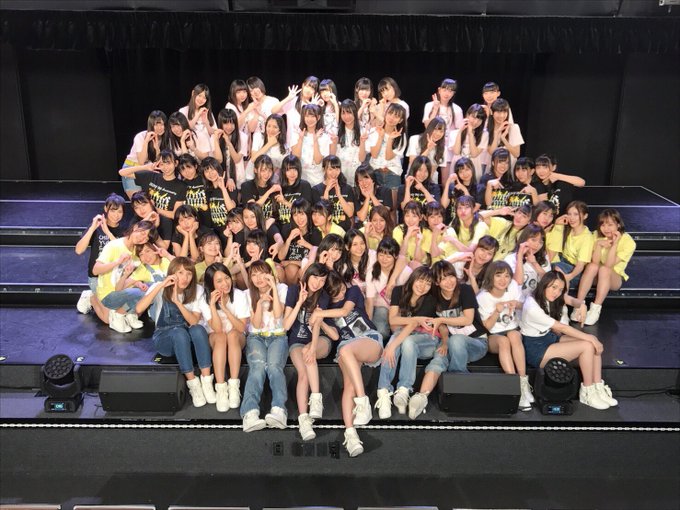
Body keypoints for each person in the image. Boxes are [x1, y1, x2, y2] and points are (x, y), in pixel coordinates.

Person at [520, 271, 617, 410]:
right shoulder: (532, 306)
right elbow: (562, 328)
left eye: (560, 289)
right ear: (544, 285)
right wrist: (589, 336)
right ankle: (587, 392)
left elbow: (570, 300)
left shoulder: (551, 295)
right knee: (587, 345)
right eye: (554, 287)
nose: (556, 292)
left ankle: (597, 387)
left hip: (550, 338)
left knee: (592, 343)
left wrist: (581, 305)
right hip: (537, 349)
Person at [313, 271, 384, 457]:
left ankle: (363, 402)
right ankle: (350, 434)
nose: (342, 293)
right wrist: (320, 321)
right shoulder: (327, 308)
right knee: (348, 386)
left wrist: (320, 313)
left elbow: (345, 311)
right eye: (337, 292)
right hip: (347, 345)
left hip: (368, 339)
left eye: (342, 288)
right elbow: (335, 336)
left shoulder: (353, 292)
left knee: (345, 351)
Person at [406, 261, 488, 419]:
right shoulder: (435, 298)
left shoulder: (465, 290)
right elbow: (441, 327)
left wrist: (442, 320)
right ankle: (422, 397)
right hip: (451, 343)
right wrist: (444, 342)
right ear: (437, 282)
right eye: (443, 278)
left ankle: (457, 386)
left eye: (451, 276)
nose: (449, 281)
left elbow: (467, 319)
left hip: (476, 343)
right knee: (439, 357)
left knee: (456, 340)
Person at [135, 257, 216, 408]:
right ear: (172, 273)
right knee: (179, 333)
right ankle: (193, 384)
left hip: (187, 336)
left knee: (198, 329)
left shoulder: (197, 290)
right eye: (180, 273)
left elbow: (193, 321)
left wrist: (178, 303)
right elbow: (139, 309)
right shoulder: (160, 287)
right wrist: (161, 286)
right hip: (165, 338)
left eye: (189, 274)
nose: (185, 278)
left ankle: (206, 382)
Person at [375, 266, 438, 419]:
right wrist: (416, 319)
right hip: (405, 331)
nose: (423, 286)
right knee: (395, 341)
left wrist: (392, 346)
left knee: (401, 342)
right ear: (413, 278)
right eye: (420, 281)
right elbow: (393, 320)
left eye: (428, 283)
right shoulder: (399, 291)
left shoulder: (430, 299)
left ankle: (404, 389)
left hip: (426, 338)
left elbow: (411, 325)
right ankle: (383, 393)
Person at [283, 263, 337, 440]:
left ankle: (316, 399)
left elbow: (317, 323)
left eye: (322, 280)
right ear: (308, 275)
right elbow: (286, 325)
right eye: (315, 277)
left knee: (308, 353)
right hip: (296, 342)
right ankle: (304, 420)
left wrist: (313, 347)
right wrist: (299, 301)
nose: (317, 283)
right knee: (303, 374)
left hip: (319, 340)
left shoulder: (323, 296)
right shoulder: (294, 290)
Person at [240, 261, 290, 431]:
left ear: (270, 274)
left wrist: (273, 288)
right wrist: (260, 303)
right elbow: (256, 324)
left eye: (262, 273)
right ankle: (250, 413)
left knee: (275, 367)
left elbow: (278, 315)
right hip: (256, 337)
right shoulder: (247, 294)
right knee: (258, 367)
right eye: (254, 275)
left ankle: (279, 410)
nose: (258, 278)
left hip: (278, 336)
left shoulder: (282, 289)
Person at [476, 261, 533, 410]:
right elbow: (486, 327)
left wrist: (516, 304)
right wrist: (496, 311)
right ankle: (513, 386)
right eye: (498, 275)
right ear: (491, 277)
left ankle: (523, 383)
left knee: (514, 335)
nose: (503, 280)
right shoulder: (483, 297)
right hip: (493, 335)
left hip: (513, 330)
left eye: (507, 276)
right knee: (503, 341)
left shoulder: (512, 287)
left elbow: (527, 306)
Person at [91, 221, 157, 333]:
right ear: (135, 227)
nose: (143, 238)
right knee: (146, 294)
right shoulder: (114, 246)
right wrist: (118, 262)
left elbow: (132, 276)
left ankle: (130, 314)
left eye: (146, 238)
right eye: (142, 233)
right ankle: (118, 315)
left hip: (124, 290)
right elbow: (95, 270)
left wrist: (138, 283)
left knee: (152, 288)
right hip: (109, 294)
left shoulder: (137, 251)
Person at [574, 209, 636, 325]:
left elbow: (609, 265)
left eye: (610, 225)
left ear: (618, 225)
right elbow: (595, 261)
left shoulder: (628, 242)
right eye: (603, 225)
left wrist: (615, 244)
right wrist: (598, 245)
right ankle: (578, 305)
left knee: (604, 269)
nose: (606, 229)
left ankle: (595, 310)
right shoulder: (596, 235)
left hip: (614, 278)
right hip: (596, 275)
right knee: (592, 266)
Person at [203, 262, 249, 412]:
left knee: (232, 334)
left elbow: (241, 328)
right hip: (217, 338)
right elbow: (216, 329)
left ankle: (234, 385)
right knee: (221, 336)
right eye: (219, 281)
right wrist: (213, 306)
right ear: (211, 284)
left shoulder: (239, 295)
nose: (225, 283)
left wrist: (225, 309)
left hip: (236, 337)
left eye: (227, 278)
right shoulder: (205, 299)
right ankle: (221, 388)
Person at [118, 150, 186, 243]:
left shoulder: (181, 186)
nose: (165, 167)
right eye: (162, 164)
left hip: (164, 225)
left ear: (176, 163)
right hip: (143, 221)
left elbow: (175, 214)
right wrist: (145, 167)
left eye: (168, 163)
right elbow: (122, 172)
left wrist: (155, 208)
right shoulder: (151, 176)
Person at [75, 193, 126, 315]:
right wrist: (92, 228)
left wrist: (108, 232)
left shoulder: (124, 231)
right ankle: (91, 298)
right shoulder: (96, 228)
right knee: (108, 316)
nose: (116, 215)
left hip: (116, 277)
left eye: (119, 211)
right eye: (113, 211)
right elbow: (79, 250)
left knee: (120, 310)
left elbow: (123, 253)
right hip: (97, 278)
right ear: (105, 209)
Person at [365, 237, 412, 341]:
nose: (384, 259)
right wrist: (368, 325)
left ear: (395, 256)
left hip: (401, 308)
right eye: (381, 255)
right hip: (383, 307)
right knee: (380, 331)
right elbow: (370, 301)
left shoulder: (405, 272)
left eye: (388, 256)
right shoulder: (372, 272)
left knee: (399, 332)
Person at [120, 110, 168, 198]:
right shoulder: (141, 136)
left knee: (149, 201)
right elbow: (141, 161)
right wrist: (146, 142)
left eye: (162, 124)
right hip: (132, 168)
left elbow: (158, 161)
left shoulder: (164, 139)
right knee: (138, 201)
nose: (159, 128)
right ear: (151, 125)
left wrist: (157, 149)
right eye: (156, 125)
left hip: (148, 170)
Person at [551, 201, 594, 290]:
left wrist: (568, 277)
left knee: (558, 269)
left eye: (576, 214)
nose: (571, 218)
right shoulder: (567, 229)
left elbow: (580, 265)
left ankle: (564, 297)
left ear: (585, 216)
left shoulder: (587, 237)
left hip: (575, 271)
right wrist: (557, 223)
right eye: (569, 214)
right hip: (561, 261)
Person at [366, 103, 407, 196]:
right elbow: (374, 155)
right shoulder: (374, 131)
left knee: (392, 204)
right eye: (390, 113)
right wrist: (381, 136)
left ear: (400, 120)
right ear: (385, 113)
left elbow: (388, 157)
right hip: (375, 173)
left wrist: (390, 139)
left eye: (396, 116)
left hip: (392, 174)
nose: (392, 118)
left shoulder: (401, 136)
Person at [278, 198, 321, 285]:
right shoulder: (287, 229)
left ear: (307, 214)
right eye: (295, 215)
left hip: (304, 269)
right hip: (287, 271)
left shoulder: (315, 233)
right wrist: (289, 239)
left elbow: (318, 257)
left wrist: (291, 262)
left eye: (302, 214)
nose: (299, 218)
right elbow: (280, 257)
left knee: (293, 268)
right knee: (280, 268)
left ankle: (293, 291)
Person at [505, 224, 552, 302]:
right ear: (524, 239)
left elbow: (549, 282)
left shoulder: (543, 259)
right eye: (533, 240)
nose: (537, 245)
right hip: (515, 301)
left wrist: (534, 263)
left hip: (535, 302)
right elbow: (517, 283)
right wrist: (520, 256)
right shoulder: (511, 258)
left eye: (540, 242)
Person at [312, 155, 356, 232]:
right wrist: (326, 191)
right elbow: (322, 214)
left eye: (337, 169)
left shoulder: (347, 188)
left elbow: (350, 213)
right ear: (324, 169)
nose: (334, 173)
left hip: (345, 230)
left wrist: (339, 195)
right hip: (327, 231)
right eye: (330, 169)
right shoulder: (316, 190)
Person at [290, 104, 331, 187]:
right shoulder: (296, 135)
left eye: (312, 116)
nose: (309, 119)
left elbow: (317, 161)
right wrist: (301, 139)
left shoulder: (324, 137)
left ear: (318, 117)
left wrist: (315, 140)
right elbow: (296, 158)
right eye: (307, 116)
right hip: (301, 181)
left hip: (317, 181)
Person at [332, 99, 367, 185]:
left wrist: (362, 142)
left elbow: (362, 159)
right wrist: (334, 143)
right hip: (339, 175)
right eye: (343, 113)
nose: (346, 116)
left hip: (356, 175)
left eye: (349, 112)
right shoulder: (335, 131)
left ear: (354, 113)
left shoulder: (362, 131)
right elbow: (332, 157)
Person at [450, 104, 488, 181]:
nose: (476, 122)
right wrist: (460, 132)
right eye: (474, 117)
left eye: (479, 119)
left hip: (474, 166)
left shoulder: (484, 134)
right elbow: (456, 152)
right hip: (458, 166)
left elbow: (474, 154)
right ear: (467, 115)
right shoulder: (454, 133)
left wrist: (470, 134)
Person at [407, 117, 449, 186]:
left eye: (441, 131)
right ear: (430, 128)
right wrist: (428, 149)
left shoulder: (443, 149)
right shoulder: (415, 139)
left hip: (430, 182)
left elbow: (432, 171)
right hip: (411, 180)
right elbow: (413, 164)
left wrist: (424, 186)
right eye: (435, 129)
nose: (438, 134)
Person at [248, 114, 289, 182]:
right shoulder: (259, 137)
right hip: (253, 179)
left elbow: (283, 170)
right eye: (269, 126)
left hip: (273, 182)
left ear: (280, 129)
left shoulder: (285, 147)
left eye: (275, 127)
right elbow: (253, 159)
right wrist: (269, 144)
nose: (271, 130)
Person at [213, 108, 249, 188]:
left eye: (232, 123)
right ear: (221, 123)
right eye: (226, 123)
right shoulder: (214, 137)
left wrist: (228, 142)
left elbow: (236, 159)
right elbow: (219, 160)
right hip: (220, 178)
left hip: (238, 177)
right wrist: (216, 140)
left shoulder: (243, 137)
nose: (229, 127)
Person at [179, 84, 216, 156]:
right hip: (191, 149)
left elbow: (213, 132)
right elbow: (187, 128)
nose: (201, 99)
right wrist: (198, 114)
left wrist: (206, 122)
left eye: (204, 98)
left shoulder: (207, 112)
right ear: (193, 93)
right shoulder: (183, 111)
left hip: (207, 150)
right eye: (199, 95)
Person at [277, 154, 314, 226]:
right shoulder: (279, 187)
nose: (292, 173)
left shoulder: (304, 185)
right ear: (284, 171)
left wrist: (284, 202)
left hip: (300, 225)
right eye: (289, 170)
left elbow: (306, 210)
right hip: (281, 226)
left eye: (295, 170)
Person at [245, 76, 280, 151]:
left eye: (256, 87)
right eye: (251, 90)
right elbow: (251, 129)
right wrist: (256, 112)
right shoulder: (250, 106)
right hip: (258, 140)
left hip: (273, 138)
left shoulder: (273, 101)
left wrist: (261, 113)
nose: (255, 92)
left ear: (261, 85)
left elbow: (278, 123)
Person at [441, 157, 479, 223]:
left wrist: (464, 189)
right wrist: (448, 182)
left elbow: (473, 209)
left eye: (467, 169)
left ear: (472, 169)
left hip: (467, 223)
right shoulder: (452, 186)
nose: (465, 174)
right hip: (450, 222)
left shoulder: (479, 188)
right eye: (461, 172)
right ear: (457, 174)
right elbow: (443, 205)